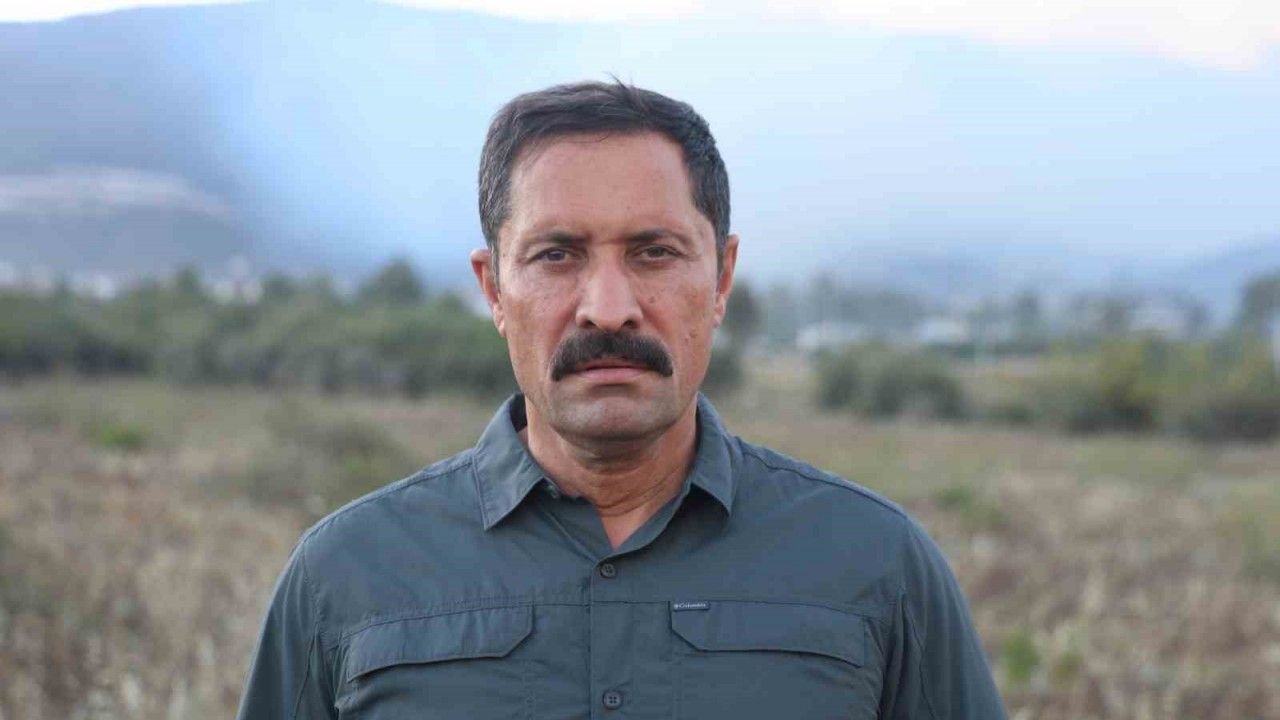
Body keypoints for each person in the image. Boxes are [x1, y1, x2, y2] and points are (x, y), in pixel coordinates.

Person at [235, 80, 1007, 720]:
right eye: (556, 255)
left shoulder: (878, 566)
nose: (608, 309)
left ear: (722, 278)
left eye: (654, 252)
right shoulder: (345, 576)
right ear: (493, 289)